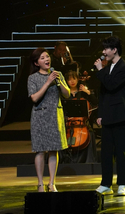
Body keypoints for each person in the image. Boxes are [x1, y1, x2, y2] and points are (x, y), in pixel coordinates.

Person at [94, 36, 125, 196]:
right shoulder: (107, 67)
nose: (103, 52)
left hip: (121, 114)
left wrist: (100, 70)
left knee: (122, 151)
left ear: (114, 50)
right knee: (106, 152)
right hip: (108, 115)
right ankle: (106, 183)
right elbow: (103, 93)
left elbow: (111, 85)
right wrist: (100, 114)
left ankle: (122, 184)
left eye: (106, 49)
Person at [28, 48, 69, 192]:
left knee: (53, 150)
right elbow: (34, 98)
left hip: (55, 116)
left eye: (47, 56)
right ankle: (40, 183)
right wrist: (48, 82)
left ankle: (52, 183)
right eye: (42, 57)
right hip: (40, 117)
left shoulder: (58, 74)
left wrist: (59, 81)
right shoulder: (32, 78)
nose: (47, 59)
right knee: (40, 151)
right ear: (36, 63)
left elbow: (67, 94)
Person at [64, 70, 97, 163]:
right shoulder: (65, 94)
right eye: (69, 79)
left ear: (78, 79)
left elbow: (95, 102)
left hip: (82, 124)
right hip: (68, 124)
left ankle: (89, 161)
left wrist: (88, 92)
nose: (72, 81)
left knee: (90, 134)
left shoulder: (83, 93)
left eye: (74, 78)